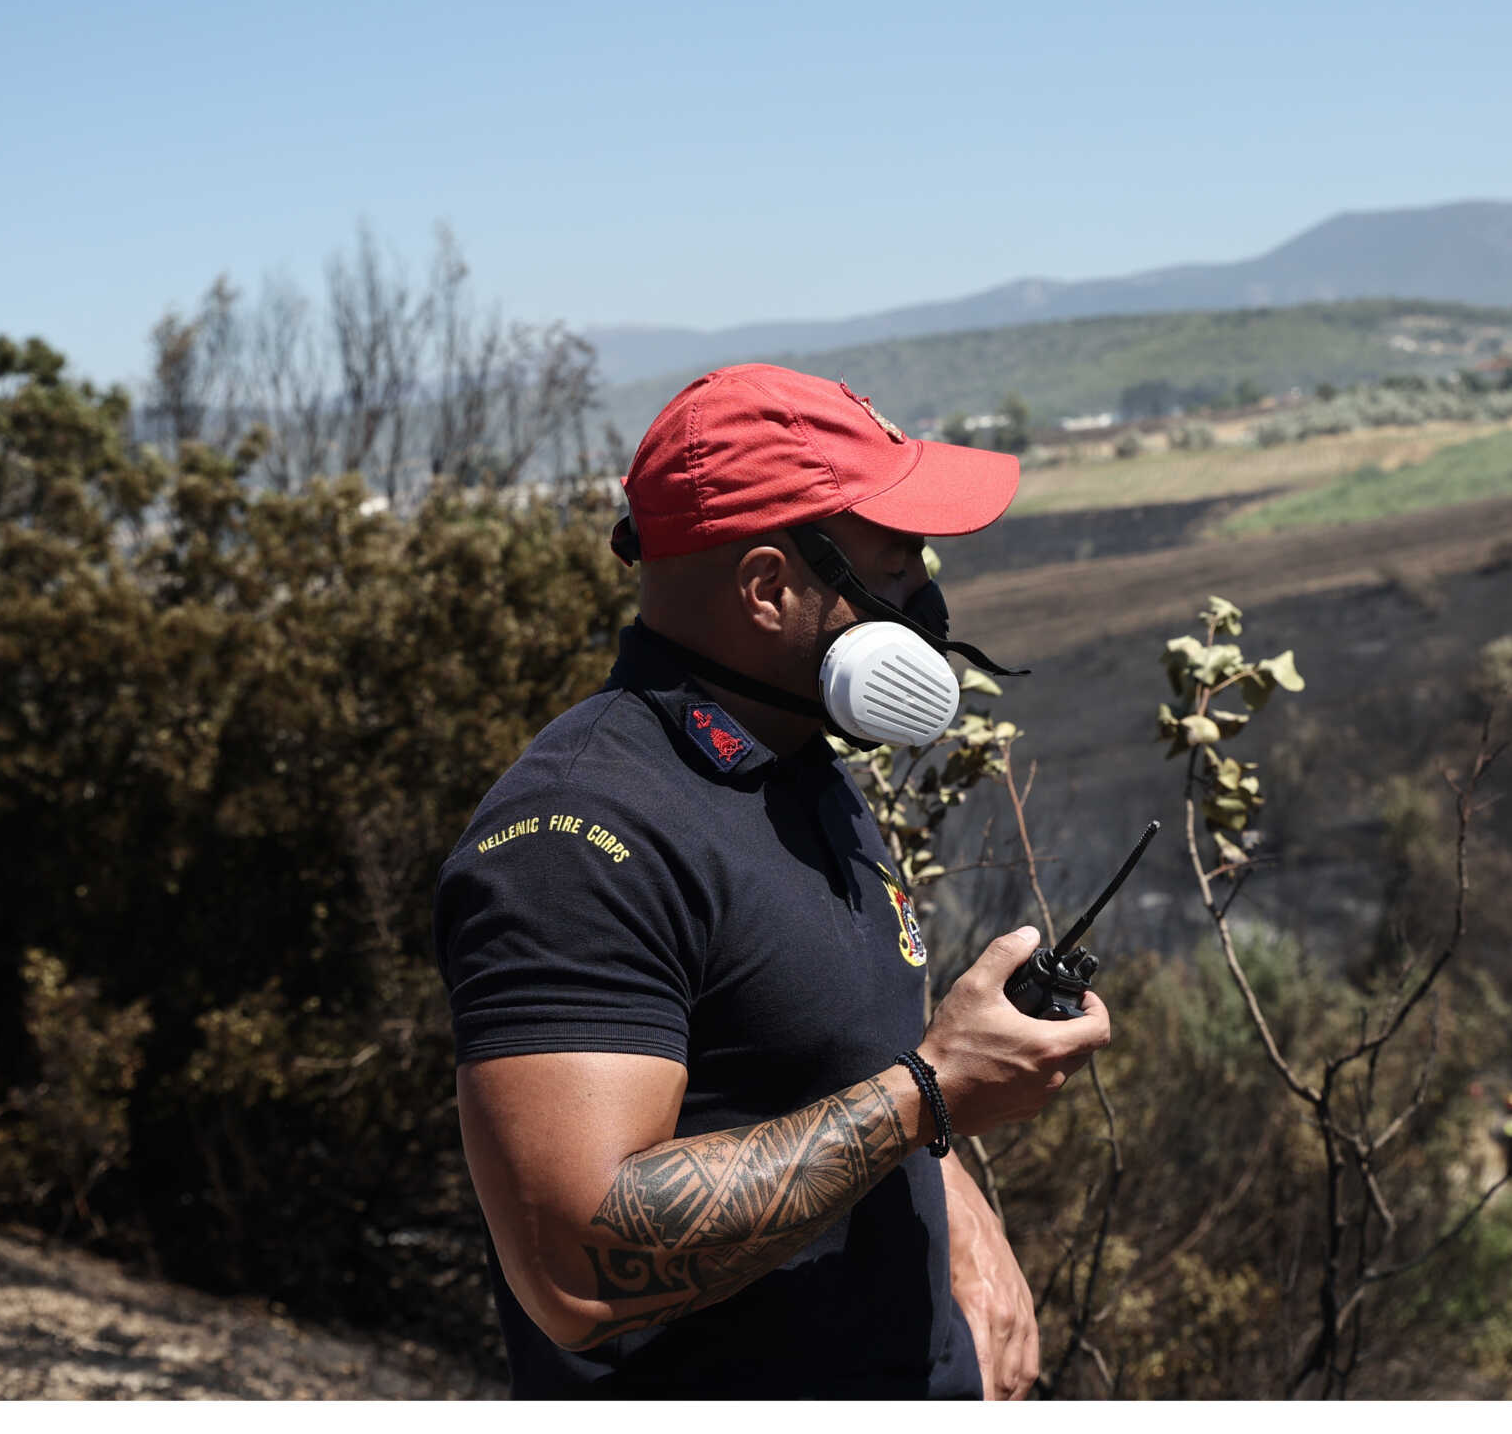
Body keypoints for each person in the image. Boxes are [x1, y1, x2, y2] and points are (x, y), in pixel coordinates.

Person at [433, 363, 1111, 1399]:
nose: (926, 595)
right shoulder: (574, 839)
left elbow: (827, 1061)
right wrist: (930, 1096)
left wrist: (956, 1213)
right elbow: (576, 1257)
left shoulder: (798, 767)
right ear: (766, 586)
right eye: (895, 565)